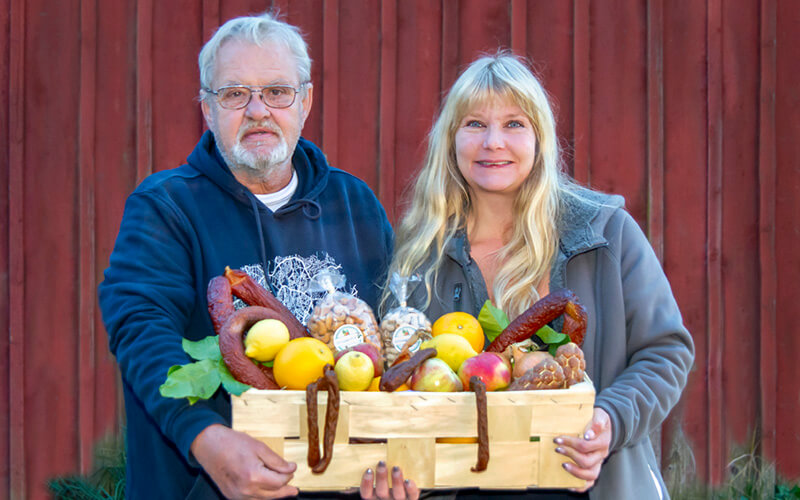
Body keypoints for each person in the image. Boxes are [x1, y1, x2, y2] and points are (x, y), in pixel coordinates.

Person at [98, 12, 401, 499]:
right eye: (235, 94)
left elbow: (388, 343)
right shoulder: (166, 208)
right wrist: (205, 436)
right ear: (207, 109)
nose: (258, 110)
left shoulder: (356, 204)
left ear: (305, 101)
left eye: (277, 92)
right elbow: (140, 328)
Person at [383, 52, 695, 499]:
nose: (493, 142)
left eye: (514, 124)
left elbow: (666, 350)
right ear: (450, 140)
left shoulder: (604, 233)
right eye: (474, 124)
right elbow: (400, 384)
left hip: (590, 483)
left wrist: (610, 419)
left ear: (539, 139)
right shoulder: (420, 257)